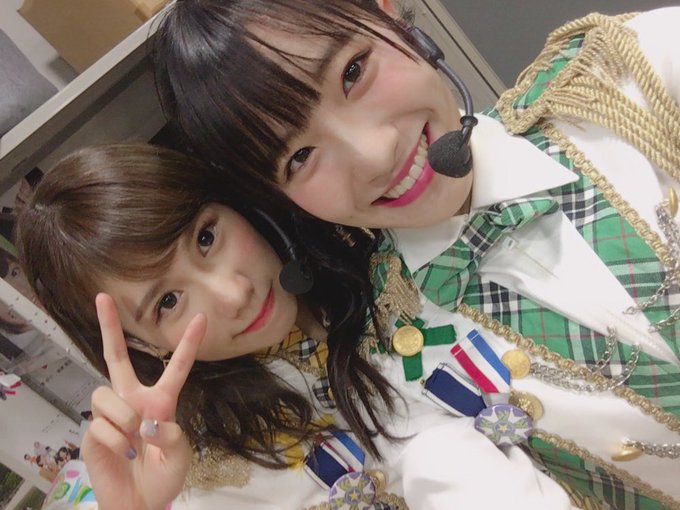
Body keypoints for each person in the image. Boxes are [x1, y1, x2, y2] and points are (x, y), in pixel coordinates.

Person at [153, 1, 680, 508]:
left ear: (387, 13)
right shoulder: (394, 367)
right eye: (300, 157)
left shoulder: (617, 80)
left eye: (353, 72)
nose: (375, 154)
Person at [16, 144, 572, 510]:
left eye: (206, 237)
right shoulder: (211, 472)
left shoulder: (390, 250)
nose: (234, 293)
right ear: (139, 343)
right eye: (167, 302)